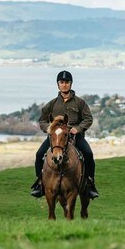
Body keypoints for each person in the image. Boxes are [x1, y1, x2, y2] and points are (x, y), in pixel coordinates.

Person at [30, 71, 98, 199]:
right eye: (62, 82)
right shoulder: (52, 103)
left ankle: (90, 184)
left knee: (88, 154)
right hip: (55, 138)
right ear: (58, 85)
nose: (64, 85)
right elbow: (42, 120)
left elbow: (88, 119)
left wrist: (77, 129)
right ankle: (40, 183)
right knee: (39, 155)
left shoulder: (80, 103)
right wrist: (49, 129)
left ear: (71, 84)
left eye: (67, 82)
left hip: (75, 137)